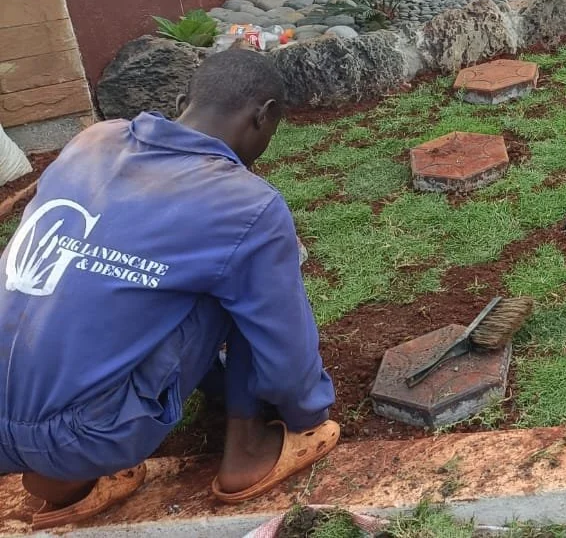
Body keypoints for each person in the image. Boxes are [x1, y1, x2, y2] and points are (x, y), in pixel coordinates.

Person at [0, 49, 339, 530]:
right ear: (265, 117)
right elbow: (284, 350)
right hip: (87, 434)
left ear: (182, 100)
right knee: (237, 273)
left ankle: (61, 482)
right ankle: (247, 449)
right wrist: (308, 411)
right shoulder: (244, 204)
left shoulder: (91, 142)